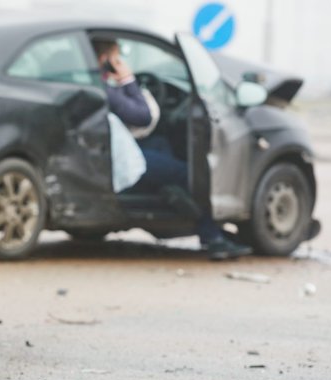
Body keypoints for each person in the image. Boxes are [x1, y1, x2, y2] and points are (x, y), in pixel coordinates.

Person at [92, 37, 252, 260]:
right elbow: (142, 116)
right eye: (117, 58)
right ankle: (211, 235)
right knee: (188, 173)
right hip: (117, 159)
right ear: (105, 60)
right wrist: (128, 80)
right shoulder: (103, 89)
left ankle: (167, 194)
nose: (120, 62)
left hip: (114, 149)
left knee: (162, 144)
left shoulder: (95, 85)